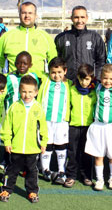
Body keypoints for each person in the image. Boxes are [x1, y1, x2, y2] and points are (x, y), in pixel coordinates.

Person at [0, 75, 48, 203]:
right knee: (12, 170)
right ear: (20, 91)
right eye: (24, 91)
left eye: (30, 92)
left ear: (36, 92)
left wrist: (43, 143)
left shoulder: (38, 108)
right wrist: (7, 141)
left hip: (33, 148)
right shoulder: (14, 107)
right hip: (16, 147)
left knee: (32, 170)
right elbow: (7, 126)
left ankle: (32, 191)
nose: (27, 95)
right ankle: (7, 189)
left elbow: (43, 128)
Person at [85, 64, 112, 191]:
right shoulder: (97, 88)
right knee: (99, 156)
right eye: (105, 78)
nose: (107, 81)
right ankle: (99, 179)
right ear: (100, 78)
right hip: (98, 126)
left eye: (111, 79)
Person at [0, 2, 57, 78]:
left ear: (35, 15)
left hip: (38, 84)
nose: (27, 16)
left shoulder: (45, 37)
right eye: (24, 13)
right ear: (19, 15)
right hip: (12, 83)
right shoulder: (7, 36)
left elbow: (53, 59)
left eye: (30, 13)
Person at [37, 57, 72, 185]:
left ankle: (61, 170)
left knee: (61, 145)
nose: (56, 75)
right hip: (45, 121)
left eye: (59, 72)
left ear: (65, 71)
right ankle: (45, 169)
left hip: (61, 121)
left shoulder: (69, 84)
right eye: (53, 72)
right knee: (47, 145)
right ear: (49, 72)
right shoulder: (45, 80)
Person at [64, 64, 97, 188]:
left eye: (87, 79)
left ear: (91, 79)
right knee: (72, 152)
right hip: (74, 125)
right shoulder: (72, 89)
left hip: (88, 126)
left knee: (87, 152)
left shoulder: (94, 91)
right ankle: (71, 175)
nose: (84, 82)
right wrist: (67, 120)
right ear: (78, 77)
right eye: (81, 79)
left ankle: (86, 175)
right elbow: (68, 106)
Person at [55, 5, 106, 81]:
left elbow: (101, 60)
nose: (79, 21)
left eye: (82, 17)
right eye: (76, 17)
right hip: (67, 82)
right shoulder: (61, 38)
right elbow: (56, 61)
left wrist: (97, 79)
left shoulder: (95, 37)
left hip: (88, 83)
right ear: (71, 18)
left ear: (87, 18)